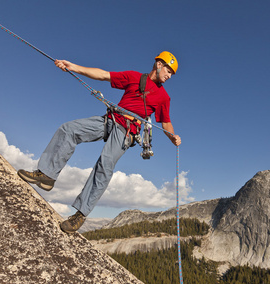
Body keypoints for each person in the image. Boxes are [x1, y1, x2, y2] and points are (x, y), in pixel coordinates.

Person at [18, 51, 181, 233]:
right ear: (159, 65)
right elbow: (103, 75)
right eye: (168, 70)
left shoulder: (164, 97)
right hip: (110, 119)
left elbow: (165, 122)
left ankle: (80, 215)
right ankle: (47, 175)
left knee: (105, 164)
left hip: (126, 131)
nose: (169, 76)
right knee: (69, 129)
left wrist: (172, 136)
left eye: (171, 74)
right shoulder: (133, 77)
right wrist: (73, 67)